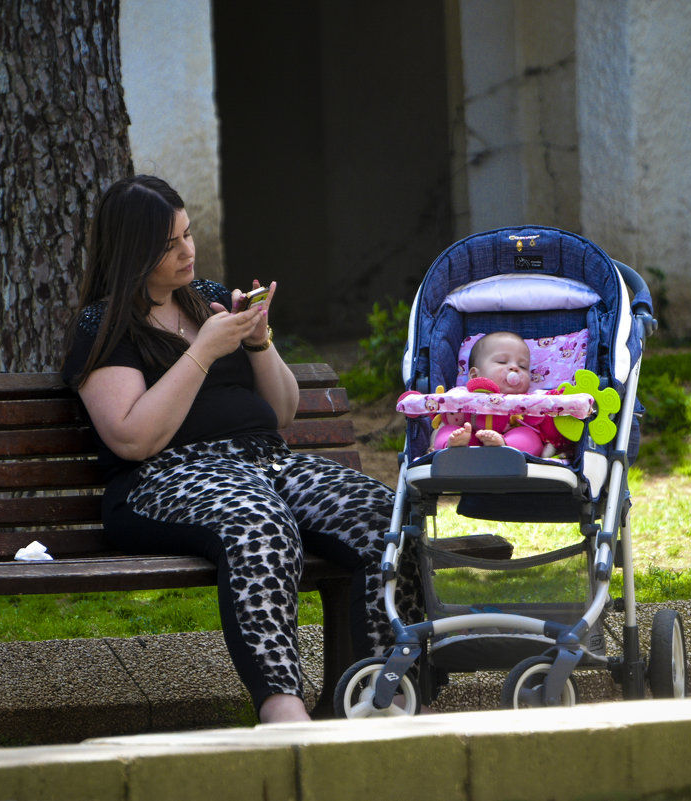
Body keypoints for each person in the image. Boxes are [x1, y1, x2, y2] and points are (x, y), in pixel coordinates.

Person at [61, 175, 421, 724]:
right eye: (169, 244)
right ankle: (284, 712)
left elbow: (281, 413)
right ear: (133, 253)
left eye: (187, 234)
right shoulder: (104, 326)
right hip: (166, 479)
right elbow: (132, 437)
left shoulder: (205, 298)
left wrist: (258, 342)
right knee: (259, 524)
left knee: (384, 517)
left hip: (266, 462)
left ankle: (388, 694)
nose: (188, 250)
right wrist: (202, 352)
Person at [433, 331, 548, 455]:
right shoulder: (462, 394)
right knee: (447, 430)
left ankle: (505, 446)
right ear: (475, 375)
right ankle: (451, 445)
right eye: (502, 362)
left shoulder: (527, 399)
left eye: (523, 366)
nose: (514, 368)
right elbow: (446, 415)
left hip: (510, 436)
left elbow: (538, 418)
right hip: (469, 437)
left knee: (529, 436)